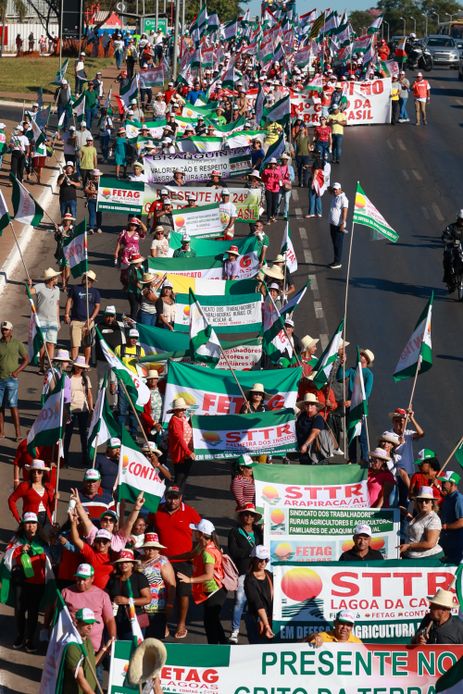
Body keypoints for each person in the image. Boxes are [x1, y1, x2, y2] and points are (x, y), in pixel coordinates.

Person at [148, 485, 201, 640]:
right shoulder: (157, 511)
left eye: (175, 497)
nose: (172, 501)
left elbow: (202, 531)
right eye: (170, 497)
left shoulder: (190, 512)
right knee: (160, 593)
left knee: (183, 593)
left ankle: (181, 623)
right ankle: (162, 623)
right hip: (163, 561)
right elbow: (147, 527)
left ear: (181, 498)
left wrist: (197, 552)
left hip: (184, 561)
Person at [176, 519, 227, 645]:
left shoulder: (207, 552)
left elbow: (208, 575)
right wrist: (171, 558)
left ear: (201, 534)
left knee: (210, 624)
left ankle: (213, 652)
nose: (193, 532)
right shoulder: (204, 545)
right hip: (214, 591)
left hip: (214, 592)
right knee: (214, 622)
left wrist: (190, 580)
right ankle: (225, 646)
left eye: (195, 531)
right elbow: (190, 555)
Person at [5, 512, 49, 652]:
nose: (31, 526)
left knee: (33, 610)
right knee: (19, 609)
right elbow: (7, 553)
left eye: (33, 523)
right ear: (23, 525)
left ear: (37, 525)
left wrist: (39, 551)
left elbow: (51, 557)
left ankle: (30, 639)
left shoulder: (43, 539)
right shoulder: (17, 538)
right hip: (20, 579)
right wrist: (19, 549)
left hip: (37, 581)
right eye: (28, 523)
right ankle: (20, 635)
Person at [61, 563, 117, 656]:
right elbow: (55, 612)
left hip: (94, 649)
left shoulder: (102, 595)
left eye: (84, 579)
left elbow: (109, 619)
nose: (81, 582)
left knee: (93, 670)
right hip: (71, 646)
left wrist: (113, 639)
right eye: (79, 579)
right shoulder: (66, 592)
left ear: (92, 579)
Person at [228, 504, 263, 644]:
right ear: (241, 516)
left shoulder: (259, 531)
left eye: (251, 515)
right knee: (239, 602)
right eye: (246, 514)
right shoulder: (235, 532)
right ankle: (235, 631)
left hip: (259, 573)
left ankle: (260, 628)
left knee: (259, 603)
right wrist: (251, 552)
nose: (249, 517)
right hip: (243, 572)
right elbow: (234, 552)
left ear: (255, 518)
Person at [106, 549, 151, 640]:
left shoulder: (139, 577)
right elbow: (107, 594)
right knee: (117, 649)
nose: (123, 565)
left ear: (132, 564)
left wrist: (127, 601)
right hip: (116, 619)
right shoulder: (114, 578)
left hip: (134, 620)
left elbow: (147, 599)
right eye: (121, 562)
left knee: (134, 649)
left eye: (127, 562)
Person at [339, 348, 374, 463]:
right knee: (351, 433)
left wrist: (353, 402)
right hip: (351, 407)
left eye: (363, 355)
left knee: (362, 435)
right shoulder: (352, 370)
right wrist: (342, 364)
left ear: (367, 360)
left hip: (360, 408)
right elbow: (340, 377)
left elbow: (367, 393)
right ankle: (352, 458)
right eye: (361, 354)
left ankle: (364, 459)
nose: (361, 355)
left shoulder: (369, 374)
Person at [139, 532, 176, 639]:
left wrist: (170, 604)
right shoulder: (139, 560)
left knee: (154, 639)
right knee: (142, 637)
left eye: (154, 548)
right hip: (140, 607)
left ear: (158, 549)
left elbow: (172, 584)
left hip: (157, 608)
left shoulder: (163, 561)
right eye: (148, 547)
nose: (151, 550)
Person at [0, 320, 29, 440]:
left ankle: (18, 434)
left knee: (13, 406)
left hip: (12, 380)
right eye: (2, 329)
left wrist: (17, 371)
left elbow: (26, 359)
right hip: (0, 380)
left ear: (11, 331)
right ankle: (1, 432)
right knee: (0, 407)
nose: (4, 331)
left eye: (6, 329)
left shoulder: (17, 344)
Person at [69, 512, 114, 590]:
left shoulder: (114, 555)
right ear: (94, 542)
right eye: (98, 541)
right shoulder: (91, 552)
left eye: (104, 541)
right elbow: (76, 539)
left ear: (109, 543)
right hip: (90, 591)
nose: (101, 544)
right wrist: (73, 523)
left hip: (107, 592)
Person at [27, 267, 61, 370]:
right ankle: (41, 367)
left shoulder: (57, 290)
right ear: (52, 279)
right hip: (41, 320)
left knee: (51, 344)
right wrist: (29, 285)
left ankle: (50, 368)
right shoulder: (40, 286)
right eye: (56, 277)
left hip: (53, 321)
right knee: (43, 345)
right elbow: (28, 293)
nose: (57, 278)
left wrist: (58, 321)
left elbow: (57, 305)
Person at [115, 328, 146, 437]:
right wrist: (113, 381)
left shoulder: (140, 350)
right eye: (132, 337)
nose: (133, 340)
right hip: (122, 382)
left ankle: (133, 435)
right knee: (122, 411)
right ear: (127, 337)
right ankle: (121, 435)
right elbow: (114, 366)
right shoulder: (119, 349)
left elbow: (143, 368)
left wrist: (142, 383)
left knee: (134, 411)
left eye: (135, 338)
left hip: (135, 384)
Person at [65, 270, 101, 362]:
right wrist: (66, 314)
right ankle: (74, 363)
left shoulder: (95, 292)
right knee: (75, 344)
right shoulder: (75, 288)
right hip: (76, 321)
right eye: (84, 277)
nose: (85, 279)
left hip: (88, 322)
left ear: (92, 281)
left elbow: (97, 307)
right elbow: (69, 301)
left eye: (87, 278)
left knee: (87, 344)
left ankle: (85, 364)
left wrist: (91, 318)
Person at [63, 355, 93, 465]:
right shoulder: (68, 377)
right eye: (78, 366)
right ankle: (65, 459)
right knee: (68, 435)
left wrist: (91, 408)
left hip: (83, 409)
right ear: (74, 366)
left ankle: (85, 458)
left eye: (81, 367)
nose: (79, 369)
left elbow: (89, 395)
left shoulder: (86, 379)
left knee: (83, 435)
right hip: (70, 409)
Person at [8, 459, 54, 527]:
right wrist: (18, 518)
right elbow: (11, 500)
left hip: (46, 519)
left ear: (43, 474)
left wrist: (55, 498)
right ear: (31, 473)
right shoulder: (24, 486)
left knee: (48, 537)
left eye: (39, 472)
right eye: (34, 472)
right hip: (31, 518)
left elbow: (52, 507)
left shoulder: (49, 487)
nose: (36, 474)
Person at [400, 486, 443, 559]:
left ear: (432, 503)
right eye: (420, 500)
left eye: (426, 501)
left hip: (428, 558)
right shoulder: (420, 514)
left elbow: (430, 543)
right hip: (413, 557)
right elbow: (419, 525)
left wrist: (409, 546)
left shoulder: (433, 519)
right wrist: (408, 515)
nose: (423, 503)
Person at [244, 545, 274, 643]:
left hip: (271, 619)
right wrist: (266, 625)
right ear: (253, 559)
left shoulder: (270, 575)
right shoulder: (249, 580)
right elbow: (258, 604)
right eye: (260, 559)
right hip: (257, 621)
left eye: (266, 559)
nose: (263, 562)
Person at [167, 397, 196, 490]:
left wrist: (191, 420)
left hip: (187, 452)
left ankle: (179, 498)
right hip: (182, 454)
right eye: (180, 409)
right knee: (179, 479)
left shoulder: (182, 418)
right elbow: (180, 439)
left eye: (184, 409)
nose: (183, 411)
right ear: (175, 410)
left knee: (184, 478)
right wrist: (188, 452)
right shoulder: (174, 421)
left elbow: (186, 428)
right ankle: (172, 498)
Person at [438, 471, 463, 563]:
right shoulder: (448, 497)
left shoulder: (458, 499)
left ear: (452, 484)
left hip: (457, 544)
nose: (442, 484)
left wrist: (446, 526)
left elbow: (462, 522)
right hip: (448, 542)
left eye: (444, 482)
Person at [296, 393, 326, 464]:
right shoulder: (302, 416)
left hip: (315, 454)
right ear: (304, 406)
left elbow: (315, 433)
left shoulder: (318, 418)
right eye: (307, 404)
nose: (309, 406)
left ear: (316, 407)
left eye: (312, 404)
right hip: (303, 453)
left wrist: (305, 445)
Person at [328, 182, 349, 270]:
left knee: (338, 244)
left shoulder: (344, 199)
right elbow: (329, 189)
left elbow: (345, 211)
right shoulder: (334, 196)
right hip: (332, 224)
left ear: (340, 189)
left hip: (339, 225)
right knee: (334, 243)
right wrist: (331, 187)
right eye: (334, 189)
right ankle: (335, 260)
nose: (335, 191)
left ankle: (338, 262)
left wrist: (343, 223)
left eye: (336, 189)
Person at [262, 158, 280, 225]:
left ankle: (273, 216)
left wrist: (279, 182)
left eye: (274, 164)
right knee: (269, 204)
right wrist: (267, 178)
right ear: (269, 164)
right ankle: (268, 219)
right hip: (268, 188)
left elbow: (280, 179)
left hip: (276, 189)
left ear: (276, 164)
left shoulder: (278, 171)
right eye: (271, 164)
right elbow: (263, 179)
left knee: (275, 204)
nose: (273, 165)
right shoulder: (266, 171)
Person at [84, 169, 103, 234]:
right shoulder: (89, 182)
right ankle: (91, 228)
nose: (96, 177)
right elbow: (86, 190)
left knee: (99, 214)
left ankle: (98, 227)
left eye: (97, 176)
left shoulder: (102, 182)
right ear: (92, 176)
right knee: (92, 214)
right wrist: (94, 192)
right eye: (95, 176)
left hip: (100, 200)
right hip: (91, 199)